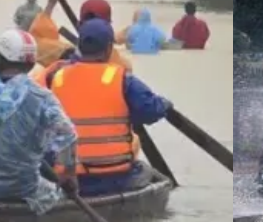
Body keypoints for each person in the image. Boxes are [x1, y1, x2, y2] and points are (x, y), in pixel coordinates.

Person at [39, 18, 172, 197]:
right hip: (115, 176)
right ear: (109, 49)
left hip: (69, 179)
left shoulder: (56, 78)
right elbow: (150, 111)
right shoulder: (123, 79)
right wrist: (165, 104)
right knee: (147, 171)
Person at [0, 29, 79, 211]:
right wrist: (69, 175)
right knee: (55, 193)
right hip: (24, 189)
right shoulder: (42, 96)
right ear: (31, 63)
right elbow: (68, 135)